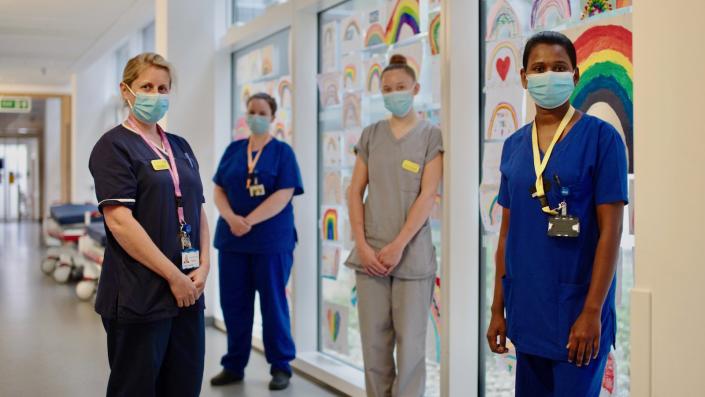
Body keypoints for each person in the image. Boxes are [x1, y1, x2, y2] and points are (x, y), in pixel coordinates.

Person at [486, 31, 628, 397]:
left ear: (575, 76)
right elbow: (506, 234)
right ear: (523, 77)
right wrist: (498, 309)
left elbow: (611, 232)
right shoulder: (514, 145)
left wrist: (593, 310)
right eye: (539, 68)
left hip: (577, 313)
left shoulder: (602, 139)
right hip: (528, 311)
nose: (549, 75)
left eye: (559, 67)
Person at [88, 53, 209, 397]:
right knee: (137, 389)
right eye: (146, 87)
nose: (155, 95)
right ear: (126, 91)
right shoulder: (113, 147)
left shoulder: (180, 147)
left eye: (163, 88)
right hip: (140, 294)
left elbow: (198, 209)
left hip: (189, 291)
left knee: (183, 386)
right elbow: (120, 222)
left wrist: (204, 267)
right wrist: (174, 277)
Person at [345, 54, 443, 397]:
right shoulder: (371, 135)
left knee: (412, 349)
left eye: (400, 87)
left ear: (415, 89)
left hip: (412, 257)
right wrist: (363, 245)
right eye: (387, 89)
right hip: (369, 254)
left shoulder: (431, 136)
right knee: (374, 347)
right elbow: (354, 191)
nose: (394, 93)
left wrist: (398, 244)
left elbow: (428, 195)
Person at [209, 93, 303, 391]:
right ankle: (234, 364)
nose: (256, 116)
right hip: (233, 241)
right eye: (251, 111)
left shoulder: (282, 153)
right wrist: (230, 217)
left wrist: (249, 220)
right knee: (234, 305)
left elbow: (284, 194)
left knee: (273, 304)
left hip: (270, 241)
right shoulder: (234, 150)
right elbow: (218, 188)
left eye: (262, 111)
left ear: (273, 117)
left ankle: (281, 366)